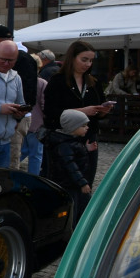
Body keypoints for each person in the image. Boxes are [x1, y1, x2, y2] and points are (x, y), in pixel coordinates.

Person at [42, 40, 112, 186]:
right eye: (84, 59)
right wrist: (81, 112)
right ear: (72, 58)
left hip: (89, 137)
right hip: (63, 139)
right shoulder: (57, 81)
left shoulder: (93, 82)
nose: (88, 64)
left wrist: (103, 111)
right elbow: (50, 112)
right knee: (63, 183)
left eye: (91, 60)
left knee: (86, 182)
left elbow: (99, 111)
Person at [45, 109, 94, 221]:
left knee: (82, 207)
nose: (87, 128)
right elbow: (71, 166)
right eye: (83, 126)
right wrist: (82, 183)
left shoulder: (72, 141)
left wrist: (85, 149)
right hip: (70, 185)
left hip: (74, 184)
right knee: (74, 210)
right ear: (72, 128)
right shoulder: (64, 145)